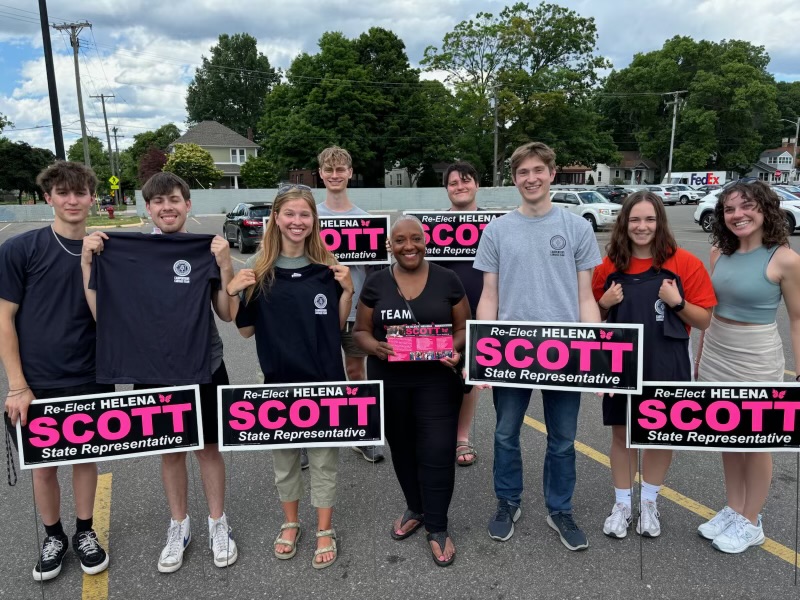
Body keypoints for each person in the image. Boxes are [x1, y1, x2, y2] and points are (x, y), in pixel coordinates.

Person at [81, 172, 238, 573]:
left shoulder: (205, 249)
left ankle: (218, 524)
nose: (167, 207)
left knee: (208, 448)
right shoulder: (125, 251)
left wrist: (224, 267)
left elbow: (226, 312)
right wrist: (87, 261)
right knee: (171, 451)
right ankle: (178, 525)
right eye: (158, 201)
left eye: (174, 199)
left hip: (203, 363)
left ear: (188, 205)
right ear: (147, 208)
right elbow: (103, 313)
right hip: (150, 367)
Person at [473, 141, 601, 551]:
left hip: (565, 351)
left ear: (552, 172)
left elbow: (585, 298)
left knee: (562, 438)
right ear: (515, 179)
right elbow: (489, 296)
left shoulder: (577, 228)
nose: (531, 178)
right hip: (510, 352)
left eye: (537, 171)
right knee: (505, 434)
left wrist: (596, 355)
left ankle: (559, 507)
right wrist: (481, 357)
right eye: (522, 173)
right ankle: (507, 501)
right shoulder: (496, 230)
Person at [228, 185, 353, 569]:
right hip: (279, 385)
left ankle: (324, 528)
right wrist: (233, 292)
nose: (297, 221)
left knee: (323, 462)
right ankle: (291, 522)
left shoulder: (327, 272)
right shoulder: (258, 273)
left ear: (313, 220)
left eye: (304, 214)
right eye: (290, 214)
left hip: (325, 382)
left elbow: (335, 325)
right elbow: (244, 332)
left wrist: (347, 290)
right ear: (276, 220)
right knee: (284, 462)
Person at [0, 161, 111, 581]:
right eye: (63, 193)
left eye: (80, 192)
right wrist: (16, 385)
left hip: (90, 372)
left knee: (85, 458)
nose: (72, 200)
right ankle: (53, 536)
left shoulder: (105, 250)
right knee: (43, 466)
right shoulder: (20, 250)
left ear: (91, 198)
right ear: (48, 197)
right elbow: (3, 319)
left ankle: (85, 531)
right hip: (35, 381)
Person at [592, 191, 716, 539]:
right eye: (634, 219)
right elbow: (590, 318)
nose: (642, 226)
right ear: (624, 223)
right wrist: (603, 302)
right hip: (621, 363)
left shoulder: (685, 263)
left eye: (649, 219)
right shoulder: (609, 267)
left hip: (667, 358)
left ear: (660, 222)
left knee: (659, 433)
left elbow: (704, 319)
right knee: (623, 433)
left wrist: (677, 303)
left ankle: (649, 502)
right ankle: (622, 504)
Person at [354, 215, 470, 567]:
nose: (409, 246)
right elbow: (360, 330)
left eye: (415, 238)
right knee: (402, 449)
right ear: (390, 244)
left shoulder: (448, 279)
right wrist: (376, 347)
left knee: (436, 451)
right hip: (391, 381)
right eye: (400, 240)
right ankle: (416, 509)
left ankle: (438, 526)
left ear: (425, 239)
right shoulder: (375, 282)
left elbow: (464, 326)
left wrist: (453, 347)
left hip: (436, 381)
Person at [695, 181, 800, 553]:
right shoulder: (717, 254)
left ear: (765, 209)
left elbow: (797, 319)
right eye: (729, 209)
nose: (738, 215)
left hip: (757, 355)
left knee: (755, 441)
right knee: (727, 435)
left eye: (747, 206)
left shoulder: (784, 258)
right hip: (717, 350)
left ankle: (752, 520)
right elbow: (709, 311)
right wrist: (700, 359)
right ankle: (735, 507)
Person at [316, 146, 384, 464]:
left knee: (356, 371)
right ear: (320, 174)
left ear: (350, 173)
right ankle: (306, 438)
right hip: (315, 311)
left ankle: (362, 433)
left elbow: (374, 275)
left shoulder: (366, 221)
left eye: (340, 169)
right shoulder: (310, 217)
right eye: (328, 170)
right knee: (313, 373)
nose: (334, 175)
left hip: (354, 312)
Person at [438, 162, 484, 467]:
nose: (459, 187)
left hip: (481, 308)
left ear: (476, 185)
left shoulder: (493, 223)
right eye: (453, 183)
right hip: (440, 311)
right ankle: (437, 434)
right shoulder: (433, 224)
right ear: (446, 189)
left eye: (465, 181)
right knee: (439, 375)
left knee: (469, 378)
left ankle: (462, 436)